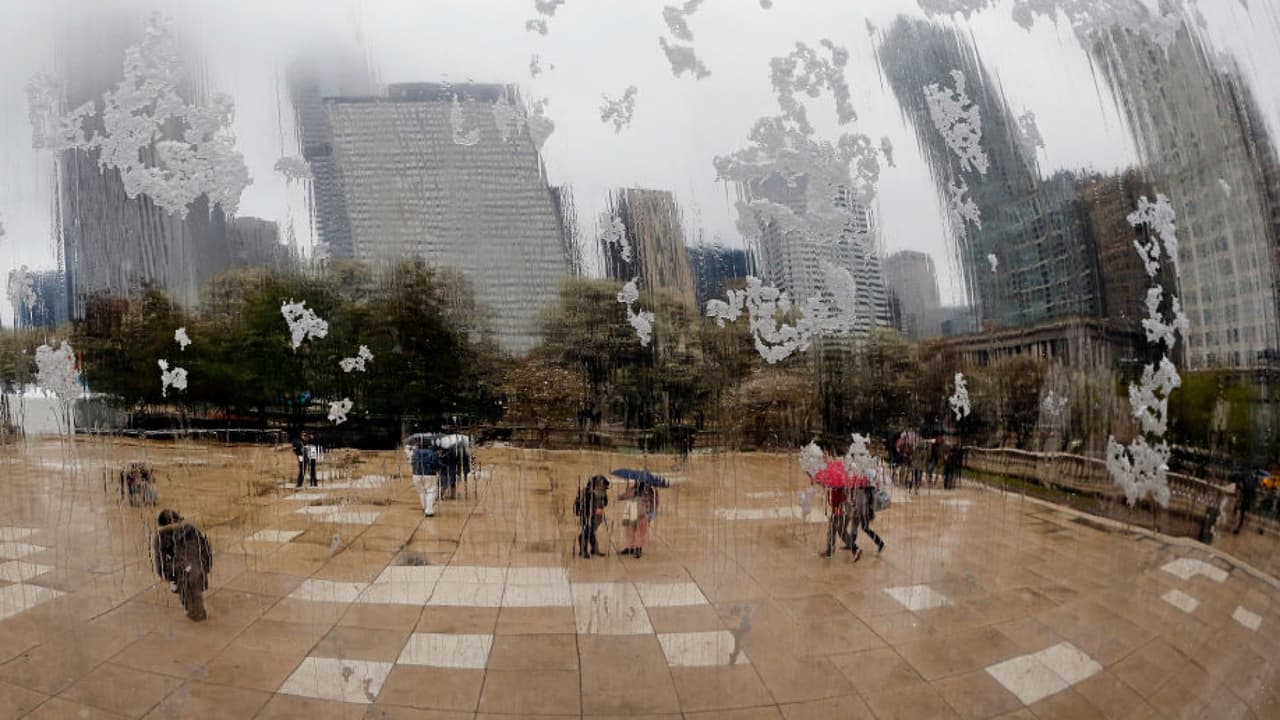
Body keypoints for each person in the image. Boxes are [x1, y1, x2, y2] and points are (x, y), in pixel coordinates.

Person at [154, 509, 213, 621]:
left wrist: (168, 576)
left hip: (185, 568)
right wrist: (206, 566)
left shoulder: (162, 537)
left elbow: (160, 560)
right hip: (191, 566)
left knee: (190, 589)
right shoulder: (190, 530)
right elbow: (205, 548)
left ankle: (196, 612)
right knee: (192, 588)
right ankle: (196, 611)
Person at [620, 481, 659, 558]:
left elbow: (654, 503)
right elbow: (621, 497)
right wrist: (628, 491)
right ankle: (630, 547)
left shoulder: (650, 492)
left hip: (643, 515)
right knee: (631, 532)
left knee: (641, 532)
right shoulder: (633, 489)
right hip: (632, 515)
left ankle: (638, 548)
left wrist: (651, 514)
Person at [573, 475, 609, 558]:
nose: (603, 488)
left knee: (591, 531)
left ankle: (594, 549)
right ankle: (583, 550)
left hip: (596, 517)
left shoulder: (601, 493)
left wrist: (603, 498)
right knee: (586, 532)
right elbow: (582, 504)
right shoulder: (586, 492)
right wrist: (594, 509)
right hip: (586, 515)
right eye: (601, 485)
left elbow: (605, 503)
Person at [850, 481, 884, 558]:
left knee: (864, 528)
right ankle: (852, 545)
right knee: (854, 526)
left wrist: (868, 513)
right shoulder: (860, 487)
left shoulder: (866, 489)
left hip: (863, 512)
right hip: (858, 510)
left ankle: (880, 543)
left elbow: (867, 503)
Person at [411, 441, 443, 517]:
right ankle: (429, 511)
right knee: (431, 491)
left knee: (422, 491)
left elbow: (412, 463)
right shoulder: (432, 453)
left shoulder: (415, 453)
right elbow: (435, 463)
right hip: (429, 474)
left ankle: (424, 507)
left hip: (416, 474)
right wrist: (441, 466)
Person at [821, 485, 852, 558]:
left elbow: (834, 503)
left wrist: (828, 494)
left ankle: (829, 551)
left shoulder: (836, 490)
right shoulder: (842, 488)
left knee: (832, 532)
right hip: (843, 512)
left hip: (838, 513)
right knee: (839, 532)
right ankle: (853, 546)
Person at [1232, 466, 1261, 534]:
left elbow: (1239, 486)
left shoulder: (1241, 475)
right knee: (1247, 509)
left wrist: (1237, 491)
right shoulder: (1250, 475)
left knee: (1243, 510)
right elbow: (1255, 485)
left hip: (1247, 495)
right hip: (1252, 495)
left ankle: (1239, 527)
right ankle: (1257, 526)